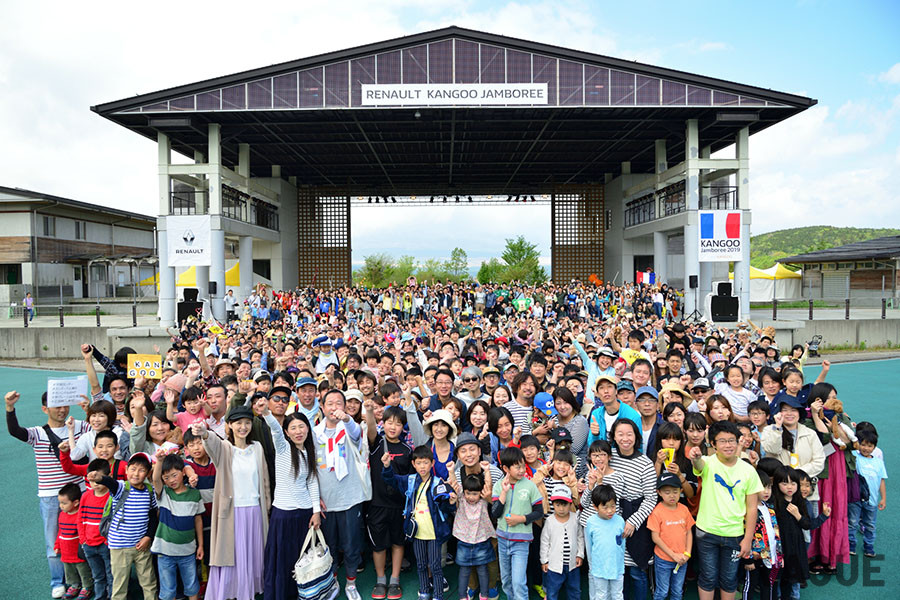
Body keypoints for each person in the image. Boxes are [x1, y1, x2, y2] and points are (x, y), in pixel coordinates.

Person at [5, 389, 90, 599]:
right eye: (56, 406)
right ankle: (58, 581)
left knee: (84, 538)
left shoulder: (79, 426)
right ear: (45, 409)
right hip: (52, 495)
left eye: (64, 405)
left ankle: (86, 580)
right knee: (54, 541)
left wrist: (89, 410)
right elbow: (15, 431)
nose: (62, 410)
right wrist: (9, 407)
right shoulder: (37, 433)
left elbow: (98, 428)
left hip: (80, 491)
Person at [192, 405, 271, 600]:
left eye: (247, 423)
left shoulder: (257, 448)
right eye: (238, 423)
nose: (243, 427)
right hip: (232, 511)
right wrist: (204, 433)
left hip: (255, 509)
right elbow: (212, 444)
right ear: (229, 425)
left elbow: (265, 481)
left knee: (252, 554)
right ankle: (231, 590)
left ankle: (249, 589)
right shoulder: (225, 448)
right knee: (232, 555)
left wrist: (267, 504)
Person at [688, 421, 763, 600]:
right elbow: (698, 465)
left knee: (729, 579)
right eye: (722, 441)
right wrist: (695, 457)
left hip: (735, 534)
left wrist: (747, 539)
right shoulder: (707, 463)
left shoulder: (748, 471)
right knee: (707, 577)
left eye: (732, 440)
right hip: (707, 532)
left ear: (738, 442)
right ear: (713, 444)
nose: (728, 445)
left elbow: (752, 507)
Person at [312, 389, 371, 600]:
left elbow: (355, 434)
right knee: (330, 545)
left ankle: (352, 583)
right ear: (322, 407)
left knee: (352, 544)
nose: (334, 407)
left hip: (350, 498)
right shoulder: (314, 433)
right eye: (330, 403)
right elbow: (310, 469)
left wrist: (346, 419)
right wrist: (315, 498)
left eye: (339, 403)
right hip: (326, 501)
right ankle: (334, 580)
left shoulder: (350, 429)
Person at [261, 407, 321, 600]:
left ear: (308, 429)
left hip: (305, 515)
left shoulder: (309, 452)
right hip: (283, 515)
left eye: (301, 426)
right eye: (293, 428)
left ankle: (305, 594)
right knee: (283, 562)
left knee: (303, 561)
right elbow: (275, 430)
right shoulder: (283, 448)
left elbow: (312, 481)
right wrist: (266, 413)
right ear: (287, 432)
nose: (298, 431)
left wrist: (316, 511)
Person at [382, 444, 456, 600]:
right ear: (413, 464)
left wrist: (451, 502)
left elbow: (446, 508)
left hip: (434, 533)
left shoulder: (438, 483)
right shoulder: (409, 481)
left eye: (426, 462)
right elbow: (391, 479)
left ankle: (438, 595)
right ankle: (424, 591)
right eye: (419, 463)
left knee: (435, 566)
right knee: (421, 565)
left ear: (432, 463)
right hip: (417, 532)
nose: (422, 466)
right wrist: (387, 466)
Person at [88, 452, 159, 600]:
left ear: (148, 473)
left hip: (141, 546)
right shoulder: (122, 488)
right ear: (126, 470)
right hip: (120, 547)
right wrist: (100, 478)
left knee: (149, 582)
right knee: (120, 584)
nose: (136, 473)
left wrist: (148, 537)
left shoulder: (149, 491)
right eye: (133, 469)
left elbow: (153, 517)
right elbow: (110, 483)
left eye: (141, 470)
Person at [607, 418, 656, 600]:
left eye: (629, 434)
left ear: (636, 437)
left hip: (637, 520)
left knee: (637, 572)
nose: (625, 438)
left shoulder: (645, 463)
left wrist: (633, 522)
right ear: (614, 436)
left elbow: (651, 498)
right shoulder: (609, 456)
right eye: (620, 434)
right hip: (613, 519)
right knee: (619, 572)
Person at [491, 446, 544, 600]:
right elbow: (495, 512)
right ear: (506, 468)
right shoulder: (499, 485)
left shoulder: (529, 485)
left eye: (523, 465)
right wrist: (504, 492)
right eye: (517, 466)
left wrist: (520, 519)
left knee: (519, 582)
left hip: (521, 541)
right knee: (506, 581)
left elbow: (539, 512)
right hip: (502, 540)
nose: (522, 470)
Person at [150, 452, 205, 600]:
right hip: (165, 552)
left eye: (174, 475)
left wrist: (200, 545)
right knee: (168, 591)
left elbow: (198, 520)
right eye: (166, 478)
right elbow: (155, 479)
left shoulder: (194, 494)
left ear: (183, 472)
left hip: (188, 551)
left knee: (192, 586)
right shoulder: (164, 494)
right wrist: (159, 461)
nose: (171, 480)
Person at [648, 473, 694, 600]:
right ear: (659, 492)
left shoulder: (684, 509)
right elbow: (655, 538)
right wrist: (673, 555)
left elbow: (689, 532)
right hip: (663, 560)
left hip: (682, 559)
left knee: (677, 591)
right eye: (667, 492)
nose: (672, 495)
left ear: (681, 491)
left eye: (675, 491)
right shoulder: (657, 511)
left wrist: (687, 553)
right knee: (662, 591)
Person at [771, 466, 813, 600]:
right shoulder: (774, 501)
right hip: (779, 545)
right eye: (784, 483)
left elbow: (807, 524)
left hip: (795, 545)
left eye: (793, 483)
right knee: (778, 577)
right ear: (777, 484)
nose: (790, 487)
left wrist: (797, 515)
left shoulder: (799, 500)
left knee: (791, 577)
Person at [452, 473, 496, 600]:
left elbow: (488, 486)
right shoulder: (461, 499)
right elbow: (455, 486)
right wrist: (450, 471)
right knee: (464, 570)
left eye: (475, 493)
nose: (471, 497)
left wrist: (487, 470)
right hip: (464, 541)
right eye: (468, 493)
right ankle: (462, 596)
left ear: (480, 493)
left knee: (482, 569)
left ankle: (484, 595)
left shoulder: (483, 501)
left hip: (481, 540)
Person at [740, 470, 782, 600]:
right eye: (762, 487)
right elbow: (744, 535)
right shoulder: (747, 510)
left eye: (769, 487)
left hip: (770, 557)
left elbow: (775, 534)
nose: (766, 491)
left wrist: (779, 555)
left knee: (767, 585)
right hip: (754, 556)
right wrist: (748, 559)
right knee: (750, 585)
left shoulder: (770, 508)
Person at [539, 487, 584, 600]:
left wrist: (580, 554)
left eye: (564, 505)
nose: (561, 509)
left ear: (570, 504)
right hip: (554, 566)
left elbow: (580, 537)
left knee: (574, 590)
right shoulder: (550, 520)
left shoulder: (575, 518)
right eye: (558, 505)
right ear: (553, 504)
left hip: (572, 564)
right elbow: (544, 542)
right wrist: (544, 560)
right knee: (552, 591)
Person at [78, 459, 114, 600]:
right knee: (98, 576)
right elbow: (80, 519)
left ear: (108, 477)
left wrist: (107, 541)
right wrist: (83, 540)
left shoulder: (111, 496)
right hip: (89, 545)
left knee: (111, 575)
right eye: (92, 481)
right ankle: (100, 597)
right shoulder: (85, 496)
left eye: (98, 480)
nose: (95, 484)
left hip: (106, 545)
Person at [583, 484, 626, 600]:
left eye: (613, 506)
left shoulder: (620, 521)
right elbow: (589, 545)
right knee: (601, 595)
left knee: (617, 595)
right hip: (599, 568)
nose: (610, 510)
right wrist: (592, 566)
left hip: (617, 567)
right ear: (595, 507)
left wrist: (621, 563)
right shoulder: (591, 522)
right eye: (605, 507)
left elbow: (622, 544)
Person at [849, 428, 887, 558]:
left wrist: (883, 499)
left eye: (870, 446)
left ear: (874, 447)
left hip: (872, 500)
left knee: (870, 524)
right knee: (852, 522)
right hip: (856, 498)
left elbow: (881, 480)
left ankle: (869, 546)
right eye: (863, 444)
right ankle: (851, 544)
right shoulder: (854, 456)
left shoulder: (878, 462)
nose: (866, 448)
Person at [55, 482, 94, 600]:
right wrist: (57, 545)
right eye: (60, 502)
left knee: (83, 570)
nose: (61, 506)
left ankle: (87, 587)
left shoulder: (80, 516)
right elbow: (60, 532)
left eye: (64, 503)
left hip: (77, 552)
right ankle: (74, 585)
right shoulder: (62, 515)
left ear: (76, 503)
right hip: (66, 552)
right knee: (69, 570)